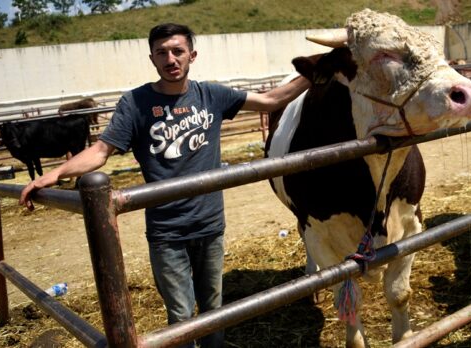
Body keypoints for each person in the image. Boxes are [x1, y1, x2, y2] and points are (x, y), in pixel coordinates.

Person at [19, 23, 310, 347]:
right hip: (167, 232)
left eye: (178, 51)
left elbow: (271, 100)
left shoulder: (211, 95)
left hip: (210, 224)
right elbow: (101, 151)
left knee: (214, 308)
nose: (171, 59)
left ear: (192, 55)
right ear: (152, 58)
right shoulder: (136, 104)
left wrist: (318, 70)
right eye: (162, 52)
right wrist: (55, 174)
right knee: (182, 314)